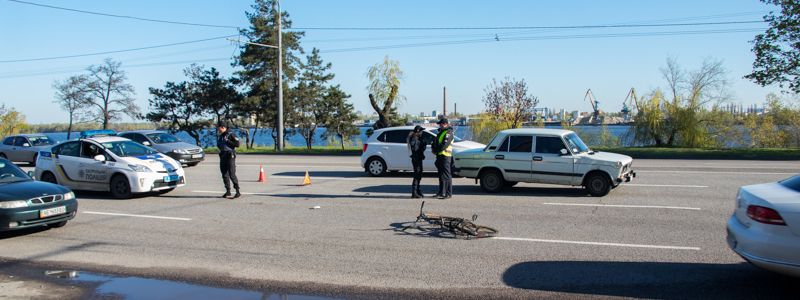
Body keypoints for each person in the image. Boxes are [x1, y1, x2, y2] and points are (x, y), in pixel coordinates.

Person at [431, 118, 454, 199]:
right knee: (441, 175)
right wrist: (434, 149)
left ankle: (448, 193)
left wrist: (436, 150)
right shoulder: (440, 132)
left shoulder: (448, 133)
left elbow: (444, 145)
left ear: (445, 124)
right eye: (440, 124)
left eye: (441, 124)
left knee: (447, 175)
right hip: (440, 156)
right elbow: (435, 143)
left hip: (446, 156)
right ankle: (441, 192)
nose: (440, 125)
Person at [217, 122, 241, 199]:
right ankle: (228, 191)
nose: (218, 129)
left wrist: (227, 141)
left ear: (223, 127)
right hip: (223, 155)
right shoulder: (221, 136)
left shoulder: (231, 134)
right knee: (224, 174)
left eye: (219, 127)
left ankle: (237, 191)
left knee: (231, 174)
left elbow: (237, 144)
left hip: (230, 155)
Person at [407, 125, 427, 198]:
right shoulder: (414, 138)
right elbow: (415, 149)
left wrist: (423, 144)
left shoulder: (417, 138)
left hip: (418, 158)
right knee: (417, 175)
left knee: (419, 175)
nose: (422, 132)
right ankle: (414, 192)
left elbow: (421, 148)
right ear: (418, 131)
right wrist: (421, 144)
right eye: (421, 131)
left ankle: (418, 191)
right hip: (416, 159)